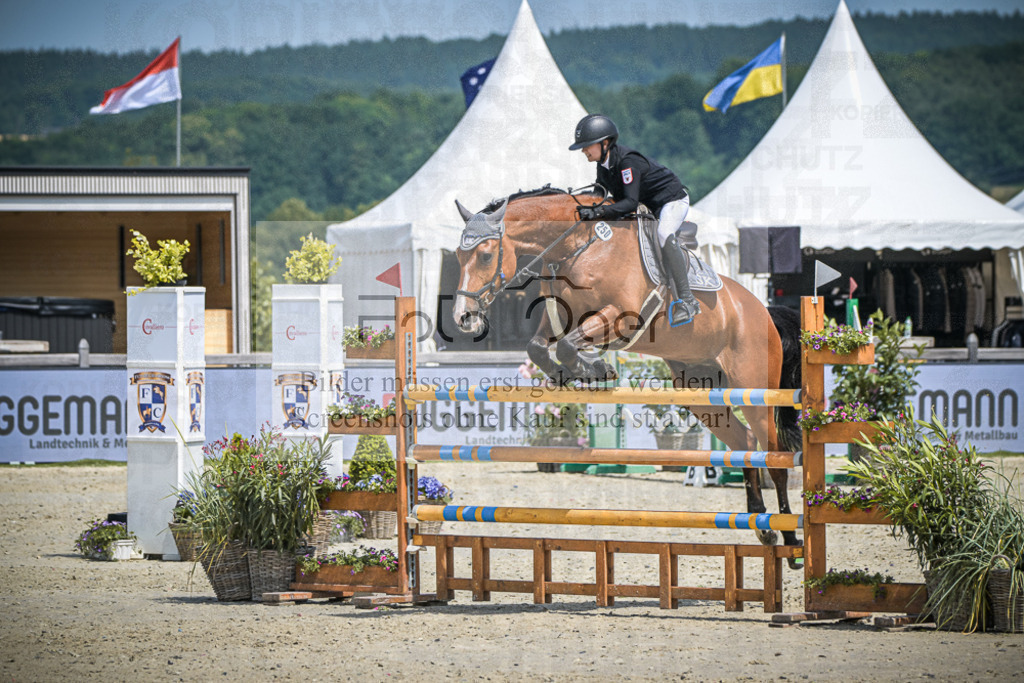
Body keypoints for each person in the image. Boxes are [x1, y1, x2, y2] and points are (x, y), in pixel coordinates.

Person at [569, 114, 700, 326]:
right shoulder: (603, 164)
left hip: (671, 200)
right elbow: (599, 196)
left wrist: (599, 211)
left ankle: (687, 300)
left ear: (605, 143)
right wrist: (585, 210)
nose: (584, 151)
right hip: (648, 204)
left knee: (663, 234)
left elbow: (629, 202)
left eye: (587, 146)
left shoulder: (627, 161)